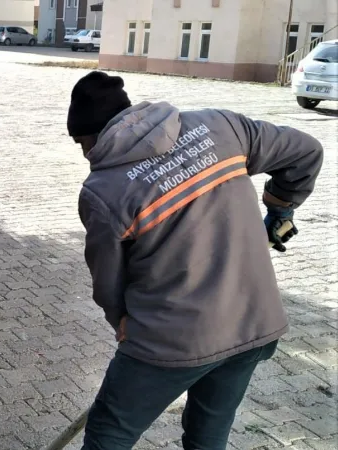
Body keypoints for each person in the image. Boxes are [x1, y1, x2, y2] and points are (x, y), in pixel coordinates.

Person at [67, 71, 323, 450]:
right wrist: (281, 208)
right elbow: (305, 151)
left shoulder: (103, 191)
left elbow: (108, 283)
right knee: (208, 436)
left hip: (170, 342)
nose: (85, 153)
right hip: (251, 325)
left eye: (80, 142)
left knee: (110, 434)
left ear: (92, 134)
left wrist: (120, 320)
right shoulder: (221, 127)